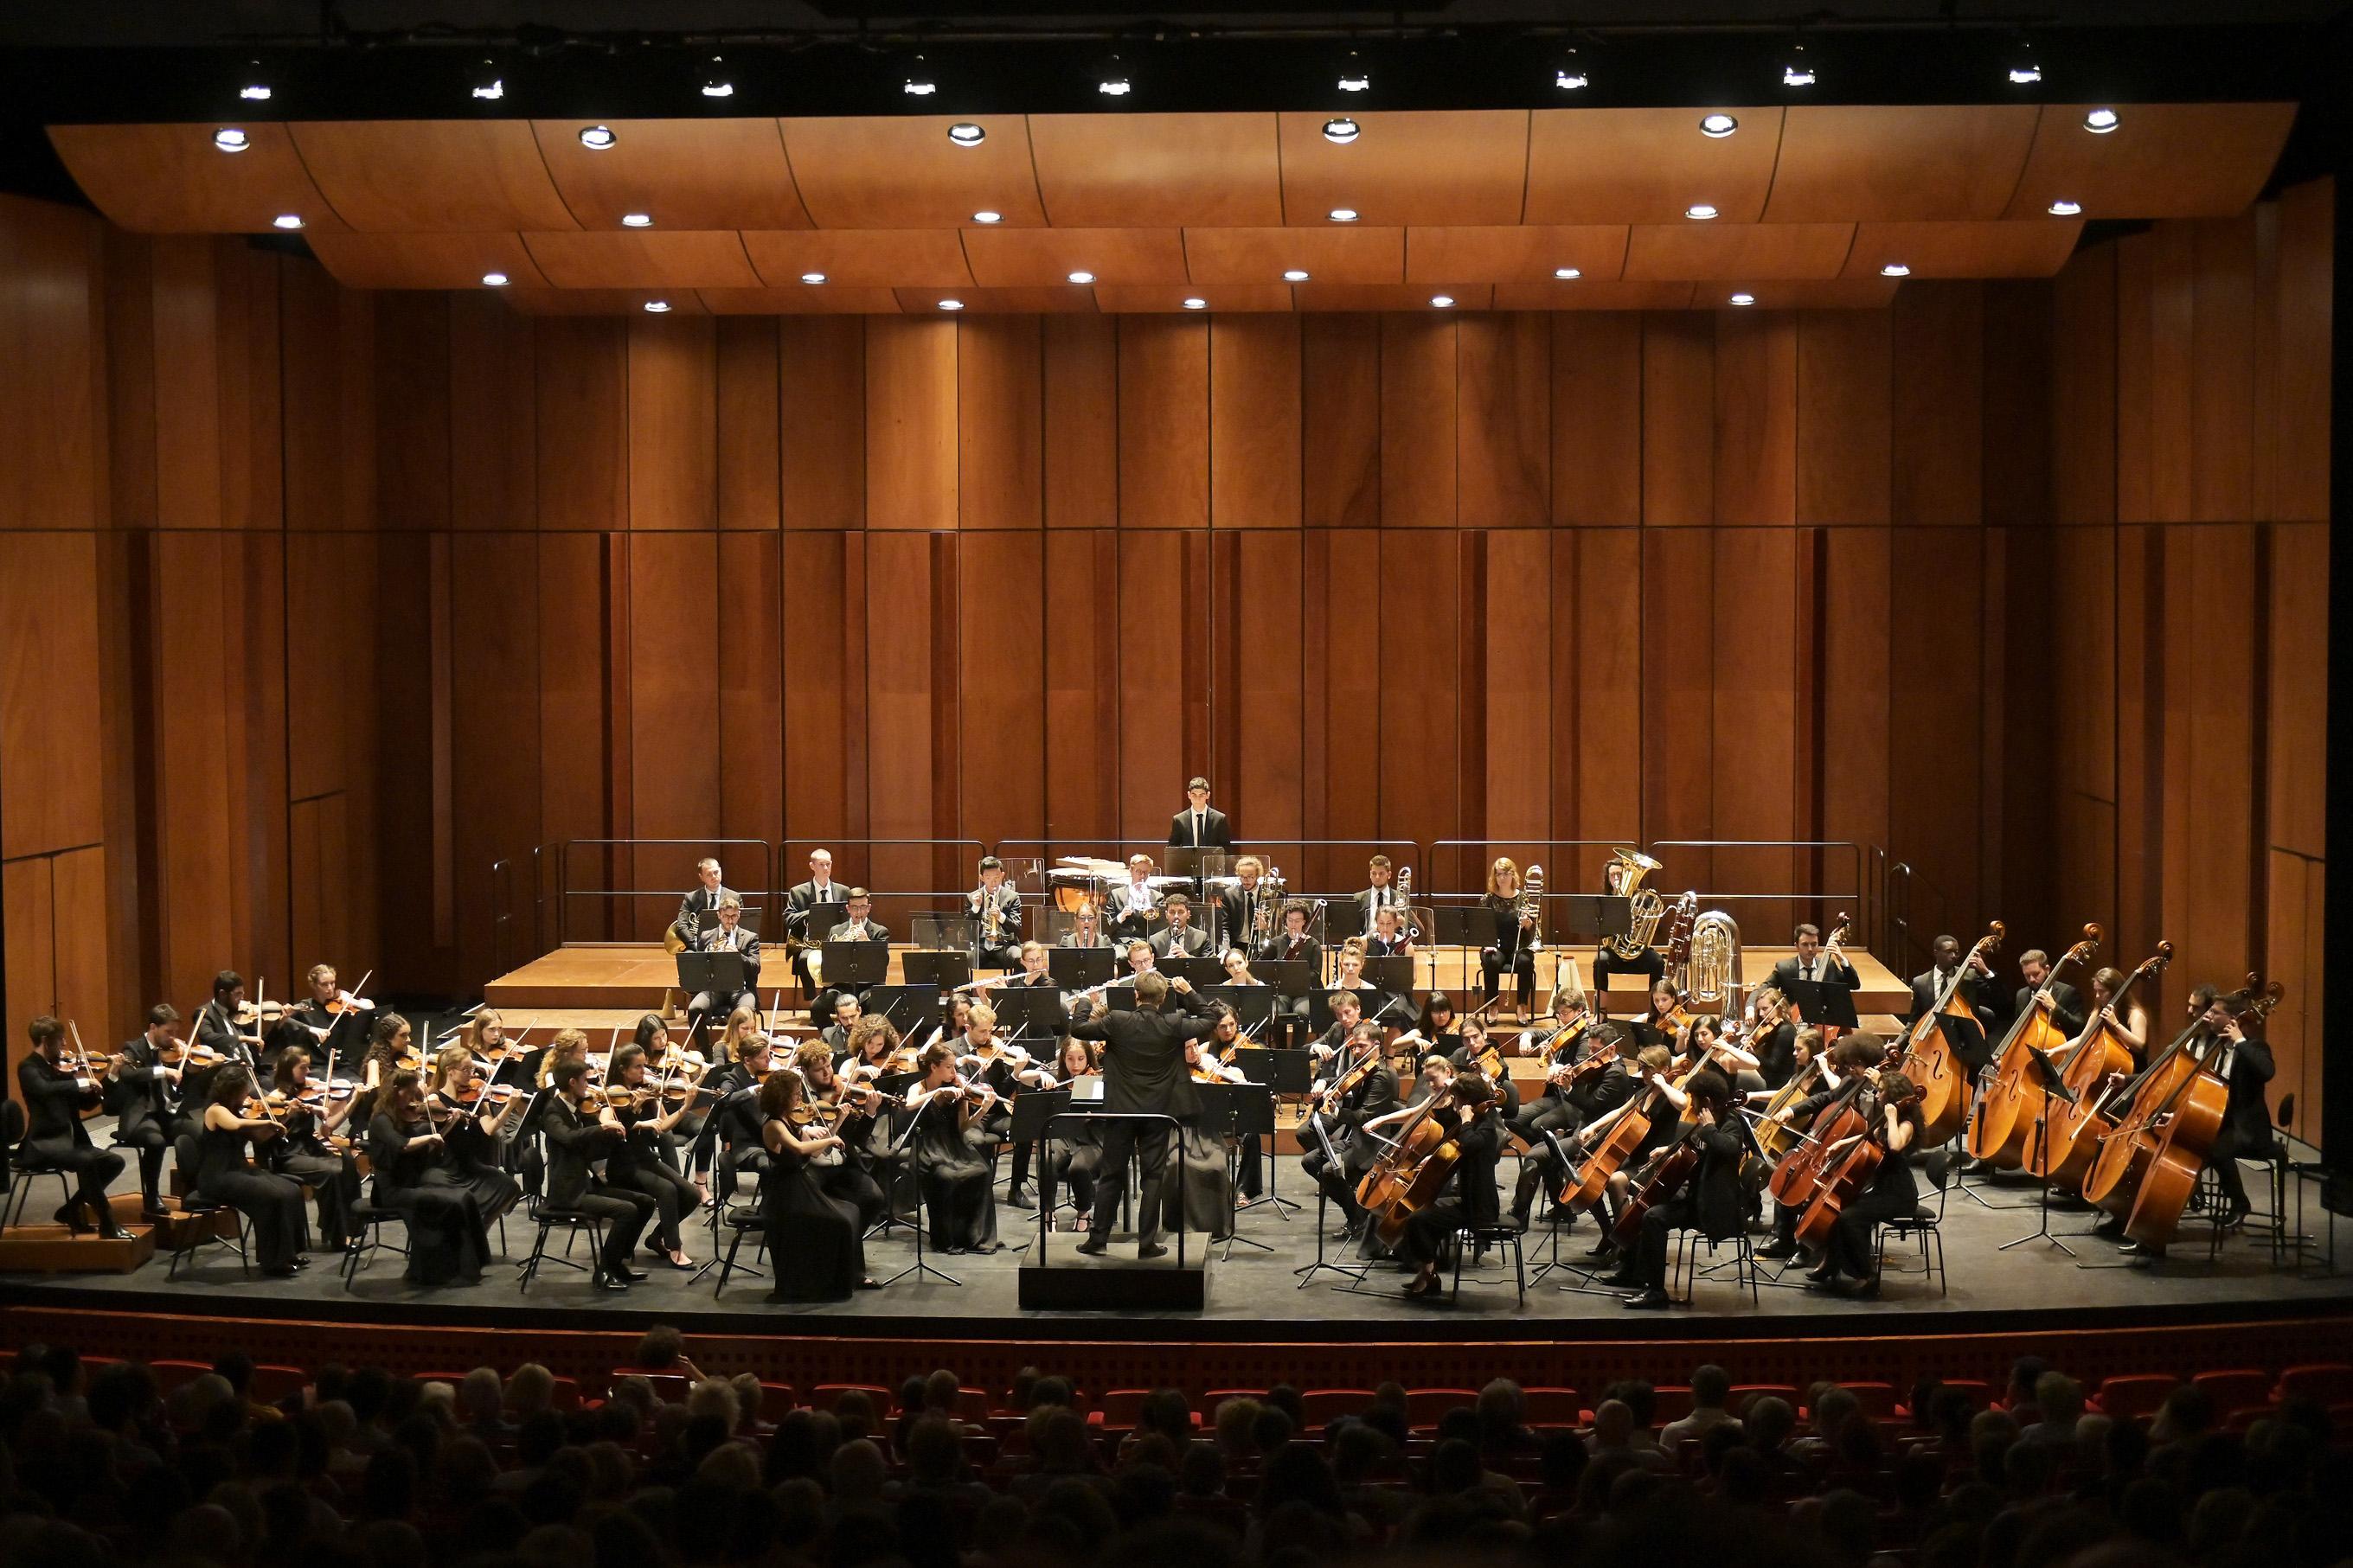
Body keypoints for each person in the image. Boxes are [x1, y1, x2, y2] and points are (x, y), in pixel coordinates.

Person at [1069, 971, 1219, 1258]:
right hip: (1158, 1114)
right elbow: (1210, 1019)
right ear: (1163, 999)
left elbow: (1079, 1029)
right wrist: (1189, 992)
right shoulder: (1173, 1023)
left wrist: (1088, 1002)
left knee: (1112, 1175)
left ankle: (1098, 1239)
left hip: (1120, 1112)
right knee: (1152, 1178)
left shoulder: (1117, 1021)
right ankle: (1147, 1244)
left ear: (1135, 995)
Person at [1619, 1069, 1747, 1309]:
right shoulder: (1707, 1122)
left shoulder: (1731, 1123)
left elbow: (1729, 1148)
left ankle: (1655, 1291)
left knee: (1653, 1217)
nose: (1692, 1105)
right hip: (1695, 1198)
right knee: (1648, 1206)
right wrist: (1667, 1149)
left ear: (1707, 1102)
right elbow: (1690, 1145)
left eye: (1695, 1100)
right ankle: (1632, 1271)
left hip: (1713, 1207)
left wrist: (1709, 1128)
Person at [366, 1066, 492, 1286]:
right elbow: (402, 1145)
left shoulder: (406, 1114)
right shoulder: (381, 1120)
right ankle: (444, 1272)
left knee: (464, 1197)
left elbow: (431, 1146)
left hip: (413, 1184)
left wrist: (450, 1123)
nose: (414, 1099)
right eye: (410, 1093)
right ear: (397, 1091)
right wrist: (428, 1138)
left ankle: (471, 1265)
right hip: (392, 1190)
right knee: (450, 1202)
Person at [757, 1070, 876, 1301]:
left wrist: (837, 1125)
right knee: (840, 1221)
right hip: (784, 1193)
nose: (799, 1098)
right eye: (796, 1094)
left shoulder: (789, 1120)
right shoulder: (773, 1125)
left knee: (852, 1211)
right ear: (782, 1096)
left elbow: (816, 1152)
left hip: (799, 1185)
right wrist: (830, 1139)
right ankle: (826, 1285)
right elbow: (801, 1149)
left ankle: (848, 1278)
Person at [539, 1059, 655, 1291]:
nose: (589, 1085)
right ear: (573, 1082)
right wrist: (601, 1128)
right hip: (567, 1192)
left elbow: (590, 1150)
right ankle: (604, 1270)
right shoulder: (553, 1112)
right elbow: (570, 1138)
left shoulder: (578, 1109)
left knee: (645, 1202)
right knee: (626, 1210)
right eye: (585, 1081)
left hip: (584, 1184)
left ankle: (617, 1263)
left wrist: (615, 1135)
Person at [1807, 1067, 1924, 1296]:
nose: (1878, 1096)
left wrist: (1891, 1117)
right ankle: (1832, 1262)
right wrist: (1842, 1143)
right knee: (1840, 1210)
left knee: (1850, 1218)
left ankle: (1868, 1275)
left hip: (1898, 1195)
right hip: (1881, 1190)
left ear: (1892, 1097)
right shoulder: (1886, 1121)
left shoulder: (1906, 1123)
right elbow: (1869, 1135)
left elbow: (1895, 1145)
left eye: (1881, 1093)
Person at [1394, 1068, 1505, 1298]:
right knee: (1423, 1214)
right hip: (1469, 1199)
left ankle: (1428, 1275)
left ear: (1467, 1101)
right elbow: (1457, 1149)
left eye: (1457, 1098)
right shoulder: (1475, 1123)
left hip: (1479, 1207)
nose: (1453, 1102)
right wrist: (1433, 1158)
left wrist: (1465, 1121)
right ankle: (1427, 1273)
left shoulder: (1483, 1126)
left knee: (1418, 1219)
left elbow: (1469, 1145)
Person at [193, 1065, 310, 1276]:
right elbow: (236, 1125)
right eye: (244, 1088)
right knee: (272, 1196)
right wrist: (267, 1120)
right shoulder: (216, 1110)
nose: (248, 1093)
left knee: (291, 1190)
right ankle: (272, 1262)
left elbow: (259, 1137)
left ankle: (288, 1253)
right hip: (218, 1176)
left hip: (239, 1170)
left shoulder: (237, 1110)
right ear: (233, 1090)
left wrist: (284, 1118)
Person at [16, 1015, 127, 1238]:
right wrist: (80, 1082)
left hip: (71, 1142)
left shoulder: (61, 1069)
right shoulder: (28, 1068)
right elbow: (44, 1089)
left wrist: (110, 1077)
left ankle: (69, 1210)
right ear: (46, 1041)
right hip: (44, 1143)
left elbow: (86, 1106)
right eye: (60, 1040)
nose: (65, 1045)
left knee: (114, 1162)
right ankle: (108, 1224)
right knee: (85, 1161)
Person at [605, 1041, 709, 1269]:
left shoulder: (647, 1091)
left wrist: (686, 1106)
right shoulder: (611, 1097)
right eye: (639, 1067)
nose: (645, 1072)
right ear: (623, 1070)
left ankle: (655, 1238)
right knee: (667, 1190)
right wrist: (635, 1111)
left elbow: (663, 1127)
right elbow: (615, 1130)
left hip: (645, 1159)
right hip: (623, 1164)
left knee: (691, 1194)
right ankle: (676, 1248)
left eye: (645, 1066)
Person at [1300, 1021, 1402, 1239]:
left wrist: (1337, 1112)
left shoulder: (1382, 1076)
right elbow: (1340, 1079)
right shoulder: (1363, 1067)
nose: (1356, 1051)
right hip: (1355, 1137)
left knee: (1329, 1171)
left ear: (1376, 1045)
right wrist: (1323, 1082)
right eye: (1354, 1047)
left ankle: (1356, 1216)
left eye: (1361, 1046)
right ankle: (1357, 1210)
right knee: (1310, 1161)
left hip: (1373, 1142)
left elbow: (1365, 1116)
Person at [905, 1043, 1002, 1254]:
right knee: (946, 1176)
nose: (954, 1072)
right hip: (928, 1147)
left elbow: (963, 1126)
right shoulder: (919, 1087)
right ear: (933, 1067)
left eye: (954, 1067)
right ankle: (945, 1238)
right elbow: (909, 1105)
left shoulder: (958, 1088)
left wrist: (982, 1110)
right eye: (949, 1067)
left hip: (954, 1143)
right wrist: (939, 1091)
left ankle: (972, 1236)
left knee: (982, 1171)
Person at [266, 1044, 362, 1249]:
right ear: (287, 1070)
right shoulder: (275, 1099)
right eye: (303, 1068)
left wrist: (321, 1109)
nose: (308, 1072)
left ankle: (351, 1226)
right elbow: (269, 1134)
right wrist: (288, 1115)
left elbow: (327, 1123)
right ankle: (336, 1235)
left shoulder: (305, 1093)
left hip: (310, 1147)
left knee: (347, 1162)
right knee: (331, 1173)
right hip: (288, 1154)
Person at [792, 1041, 888, 1230]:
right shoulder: (796, 1094)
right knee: (814, 1208)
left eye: (828, 1066)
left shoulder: (839, 1091)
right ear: (804, 1070)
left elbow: (858, 1139)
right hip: (810, 1167)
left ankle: (850, 1241)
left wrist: (870, 1113)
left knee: (875, 1198)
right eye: (820, 1069)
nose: (828, 1073)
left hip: (843, 1163)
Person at [423, 1046, 523, 1223]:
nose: (473, 1074)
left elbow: (489, 1129)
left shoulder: (476, 1096)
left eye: (473, 1069)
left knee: (510, 1187)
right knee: (464, 1202)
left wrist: (509, 1106)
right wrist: (452, 1119)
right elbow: (435, 1138)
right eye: (466, 1069)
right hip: (447, 1166)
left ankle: (480, 1231)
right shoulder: (435, 1100)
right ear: (450, 1071)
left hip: (470, 1164)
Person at [107, 1003, 184, 1219]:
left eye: (175, 1032)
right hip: (141, 1116)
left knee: (196, 1131)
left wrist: (183, 1074)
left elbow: (178, 1091)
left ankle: (194, 1192)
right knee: (155, 1142)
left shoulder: (171, 1053)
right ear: (153, 1027)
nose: (173, 1038)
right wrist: (163, 1071)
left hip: (166, 1113)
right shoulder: (133, 1048)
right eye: (168, 1032)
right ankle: (152, 1197)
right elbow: (130, 1075)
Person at [691, 1031, 776, 1201]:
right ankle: (770, 1209)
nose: (769, 1061)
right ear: (747, 1060)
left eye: (769, 1056)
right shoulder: (732, 1077)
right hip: (745, 1146)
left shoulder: (762, 1075)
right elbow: (726, 1099)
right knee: (769, 1166)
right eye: (764, 1058)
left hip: (766, 1139)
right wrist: (755, 1090)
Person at [1906, 934, 2000, 1071]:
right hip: (1933, 1044)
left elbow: (1999, 996)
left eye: (1957, 952)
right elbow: (1914, 1020)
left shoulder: (1970, 976)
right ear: (1936, 953)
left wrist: (1986, 972)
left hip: (1966, 1044)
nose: (1954, 956)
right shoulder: (1920, 982)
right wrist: (1898, 1044)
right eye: (1949, 951)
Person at [1039, 1038, 1103, 1226]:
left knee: (1079, 1167)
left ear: (1089, 1059)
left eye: (1081, 1059)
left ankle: (1084, 1212)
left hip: (1091, 1138)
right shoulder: (1058, 1077)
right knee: (1047, 1158)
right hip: (1063, 1135)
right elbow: (1023, 1076)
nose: (1075, 1065)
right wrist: (1041, 1076)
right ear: (1063, 1060)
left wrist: (1094, 1113)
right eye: (1070, 1059)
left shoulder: (1098, 1080)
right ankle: (1048, 1213)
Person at [1480, 858, 1540, 1019]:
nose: (1502, 878)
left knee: (1526, 961)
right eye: (1499, 874)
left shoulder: (1524, 898)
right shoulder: (1488, 899)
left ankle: (1521, 1006)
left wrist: (1527, 924)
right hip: (1495, 946)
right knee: (1491, 960)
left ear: (1513, 875)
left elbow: (1532, 931)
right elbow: (1481, 927)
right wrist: (1487, 943)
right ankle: (1492, 1006)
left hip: (1518, 946)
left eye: (1506, 873)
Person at [689, 895, 761, 1023]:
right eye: (726, 916)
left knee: (746, 1014)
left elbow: (755, 968)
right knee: (694, 1009)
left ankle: (740, 1044)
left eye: (733, 916)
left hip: (742, 990)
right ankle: (703, 1044)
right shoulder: (706, 936)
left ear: (739, 914)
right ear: (719, 915)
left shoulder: (750, 938)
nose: (730, 921)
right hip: (715, 989)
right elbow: (699, 966)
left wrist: (738, 956)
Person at [785, 848, 845, 991]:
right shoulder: (798, 892)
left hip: (836, 943)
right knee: (803, 959)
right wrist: (812, 912)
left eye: (828, 864)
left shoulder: (843, 891)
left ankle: (834, 993)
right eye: (821, 864)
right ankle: (812, 1000)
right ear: (812, 866)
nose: (826, 868)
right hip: (809, 945)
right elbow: (788, 919)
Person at [2010, 947, 2088, 1037]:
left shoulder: (2069, 992)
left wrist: (2055, 1008)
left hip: (2060, 1046)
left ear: (2047, 969)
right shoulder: (2021, 995)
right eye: (2027, 975)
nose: (2031, 979)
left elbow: (2079, 1027)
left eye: (2036, 974)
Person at [1770, 923, 1859, 995]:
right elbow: (1765, 988)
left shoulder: (1829, 966)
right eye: (1805, 944)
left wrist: (1842, 959)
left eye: (1814, 944)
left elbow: (1854, 985)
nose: (1810, 949)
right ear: (1797, 946)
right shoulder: (1784, 969)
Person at [967, 855, 1023, 970]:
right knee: (965, 957)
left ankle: (1016, 987)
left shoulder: (1012, 897)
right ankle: (969, 989)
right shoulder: (971, 897)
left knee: (1018, 956)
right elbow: (967, 930)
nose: (993, 882)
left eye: (997, 877)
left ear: (1002, 875)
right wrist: (976, 907)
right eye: (988, 877)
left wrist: (1001, 917)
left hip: (1005, 945)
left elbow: (1017, 928)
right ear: (981, 878)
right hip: (981, 946)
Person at [670, 857, 734, 950]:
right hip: (697, 943)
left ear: (720, 871)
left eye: (716, 872)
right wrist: (696, 945)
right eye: (709, 874)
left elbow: (740, 925)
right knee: (688, 957)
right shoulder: (691, 898)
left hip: (727, 944)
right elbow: (681, 925)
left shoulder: (734, 896)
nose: (714, 877)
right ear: (701, 877)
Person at [1215, 854, 1275, 955]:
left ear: (1257, 876)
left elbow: (1278, 927)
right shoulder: (1230, 895)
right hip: (1237, 945)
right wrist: (1225, 948)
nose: (1245, 880)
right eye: (1242, 877)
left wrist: (1266, 927)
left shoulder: (1270, 896)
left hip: (1261, 944)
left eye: (1250, 877)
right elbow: (1225, 927)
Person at [1107, 854, 1163, 944]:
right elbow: (1107, 928)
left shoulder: (1158, 897)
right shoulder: (1116, 894)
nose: (1142, 876)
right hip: (1122, 942)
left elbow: (1159, 929)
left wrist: (1148, 903)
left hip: (1146, 942)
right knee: (1120, 957)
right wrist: (1121, 917)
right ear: (1131, 871)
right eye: (1138, 871)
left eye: (1145, 872)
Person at [1167, 776, 1231, 851]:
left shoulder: (1219, 819)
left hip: (1212, 862)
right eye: (1194, 795)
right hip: (1187, 862)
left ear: (1208, 795)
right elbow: (1172, 848)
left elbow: (1226, 848)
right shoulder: (1179, 820)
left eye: (1201, 795)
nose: (1198, 798)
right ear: (1189, 795)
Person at [1151, 893, 1210, 959]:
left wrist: (1187, 957)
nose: (1176, 916)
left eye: (1181, 912)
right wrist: (1165, 962)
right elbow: (1149, 966)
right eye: (1172, 912)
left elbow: (1208, 966)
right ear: (1166, 915)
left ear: (1188, 914)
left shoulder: (1202, 938)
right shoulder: (1155, 940)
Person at [1355, 854, 1407, 926]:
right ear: (1370, 874)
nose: (1377, 877)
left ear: (1389, 875)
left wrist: (1403, 921)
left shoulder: (1400, 897)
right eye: (1374, 873)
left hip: (1393, 937)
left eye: (1381, 873)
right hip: (1366, 937)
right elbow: (1352, 927)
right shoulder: (1358, 898)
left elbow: (1413, 927)